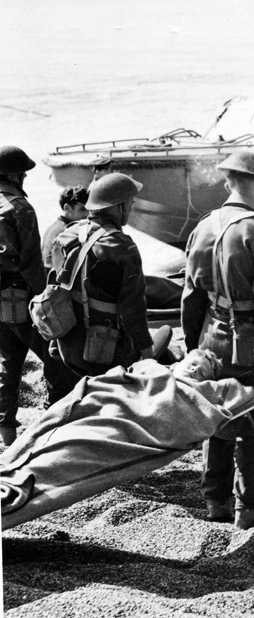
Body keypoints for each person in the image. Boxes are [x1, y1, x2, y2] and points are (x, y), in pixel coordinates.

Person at [181, 150, 254, 530]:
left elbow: (190, 295)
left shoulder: (204, 225)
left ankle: (215, 499)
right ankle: (247, 509)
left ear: (228, 181)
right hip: (249, 344)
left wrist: (193, 347)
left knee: (216, 418)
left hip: (210, 340)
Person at [0, 146, 80, 446]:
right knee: (56, 358)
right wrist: (47, 303)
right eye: (22, 173)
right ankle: (53, 426)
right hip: (21, 297)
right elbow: (32, 264)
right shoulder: (20, 208)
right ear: (13, 175)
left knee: (9, 363)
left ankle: (6, 430)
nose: (24, 178)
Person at [50, 173, 153, 376]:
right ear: (118, 206)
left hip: (68, 344)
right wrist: (148, 353)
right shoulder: (122, 247)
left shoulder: (68, 234)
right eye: (130, 204)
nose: (131, 210)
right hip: (104, 352)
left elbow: (55, 285)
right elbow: (133, 308)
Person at [41, 186, 89, 268]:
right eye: (82, 209)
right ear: (67, 208)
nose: (87, 213)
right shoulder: (66, 231)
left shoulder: (54, 227)